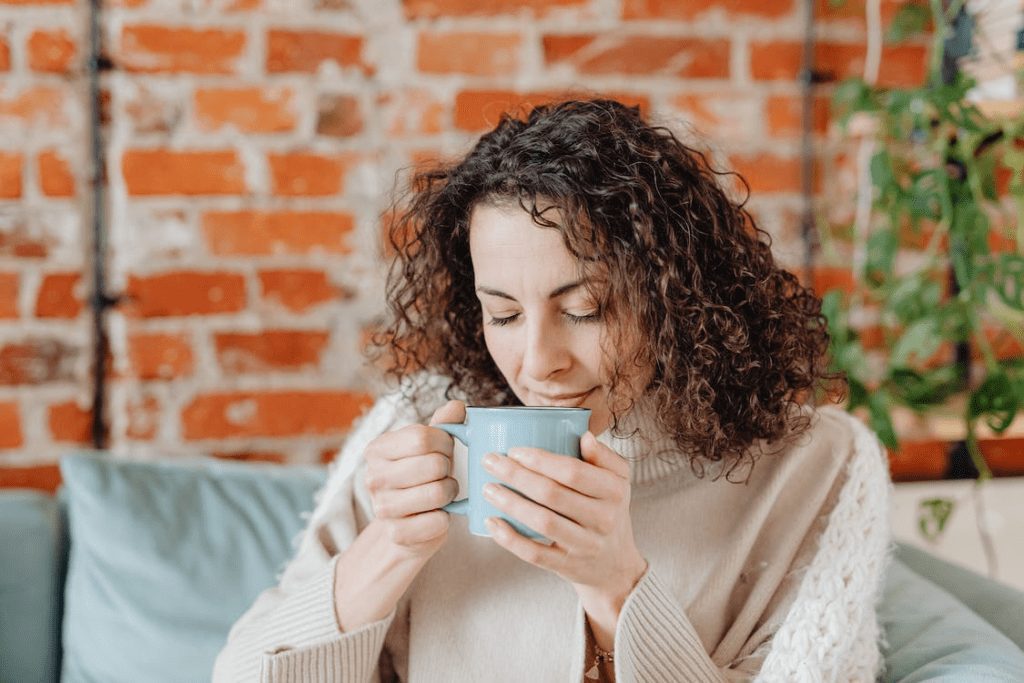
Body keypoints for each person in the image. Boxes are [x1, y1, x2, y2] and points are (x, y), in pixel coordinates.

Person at [212, 99, 892, 683]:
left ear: (675, 296)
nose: (538, 364)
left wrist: (617, 586)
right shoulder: (423, 426)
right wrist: (388, 547)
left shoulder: (809, 466)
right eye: (502, 313)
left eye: (587, 307)